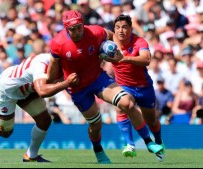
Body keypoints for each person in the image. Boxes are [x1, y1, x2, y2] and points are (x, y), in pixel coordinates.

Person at [47, 10, 163, 164]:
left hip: (98, 79)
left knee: (126, 102)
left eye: (79, 27)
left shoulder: (95, 31)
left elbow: (110, 35)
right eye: (72, 29)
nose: (77, 32)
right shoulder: (58, 43)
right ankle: (99, 151)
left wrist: (112, 50)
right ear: (66, 29)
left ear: (83, 24)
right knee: (95, 125)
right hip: (78, 88)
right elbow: (52, 73)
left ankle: (148, 142)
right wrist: (63, 80)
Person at [112, 14, 165, 161]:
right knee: (122, 105)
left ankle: (159, 142)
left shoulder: (139, 41)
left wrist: (124, 58)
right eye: (117, 27)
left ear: (130, 29)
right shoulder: (110, 43)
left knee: (152, 121)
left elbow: (147, 59)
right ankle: (130, 145)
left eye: (124, 27)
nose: (120, 30)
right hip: (124, 86)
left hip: (144, 87)